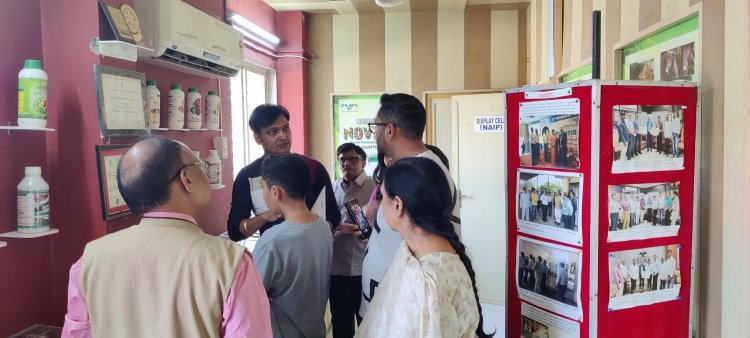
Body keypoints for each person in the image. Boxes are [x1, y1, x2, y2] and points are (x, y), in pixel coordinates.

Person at [62, 137, 272, 337]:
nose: (205, 171)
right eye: (199, 165)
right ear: (187, 178)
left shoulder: (88, 260)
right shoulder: (232, 263)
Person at [355, 158, 493, 338]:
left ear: (398, 205)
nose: (379, 206)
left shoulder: (426, 283)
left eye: (382, 197)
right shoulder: (414, 247)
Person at [359, 93, 460, 318]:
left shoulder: (421, 174)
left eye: (375, 127)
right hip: (384, 295)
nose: (374, 133)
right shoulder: (408, 167)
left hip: (400, 308)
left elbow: (429, 245)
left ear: (390, 130)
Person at [227, 104, 340, 241]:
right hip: (272, 251)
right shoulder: (248, 175)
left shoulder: (313, 168)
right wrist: (264, 217)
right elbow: (234, 232)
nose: (283, 136)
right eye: (273, 132)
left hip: (313, 251)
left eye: (286, 129)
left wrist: (316, 233)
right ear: (258, 138)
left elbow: (333, 216)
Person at [252, 153, 333, 337]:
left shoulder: (272, 240)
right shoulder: (324, 228)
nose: (263, 195)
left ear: (276, 192)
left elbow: (252, 297)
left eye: (263, 188)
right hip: (315, 329)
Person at [330, 143, 376, 338]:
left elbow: (380, 229)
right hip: (336, 268)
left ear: (363, 162)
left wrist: (355, 228)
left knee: (367, 322)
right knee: (340, 322)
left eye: (353, 159)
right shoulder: (332, 187)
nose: (347, 164)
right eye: (342, 160)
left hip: (364, 267)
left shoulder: (375, 188)